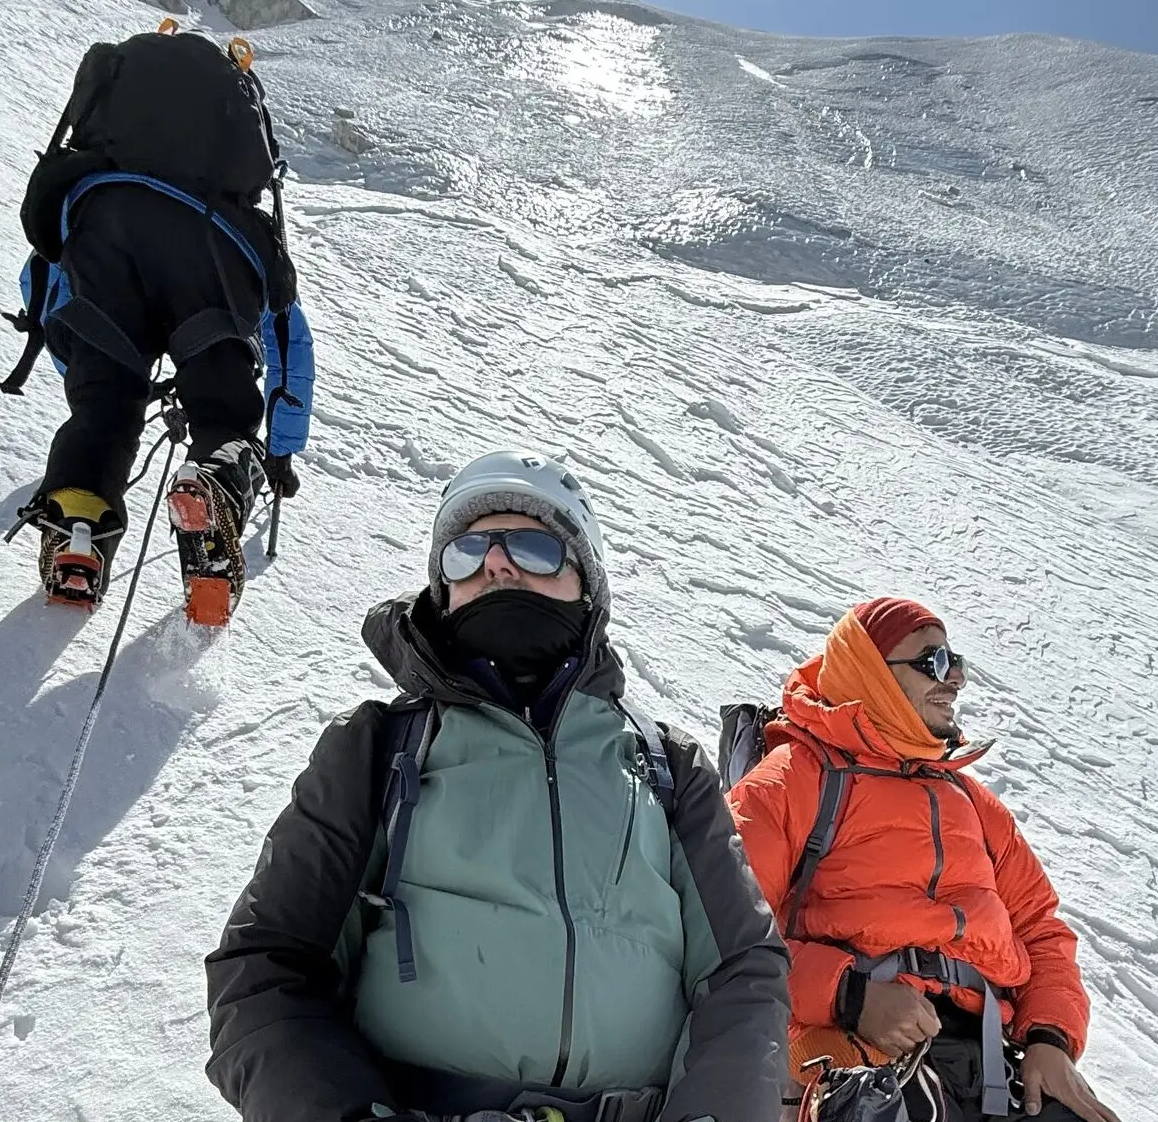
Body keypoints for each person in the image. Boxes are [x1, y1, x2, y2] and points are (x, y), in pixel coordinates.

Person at [204, 450, 790, 1122]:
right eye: (467, 552)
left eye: (535, 548)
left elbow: (742, 967)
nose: (497, 564)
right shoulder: (376, 749)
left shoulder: (666, 766)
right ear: (441, 589)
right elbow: (267, 965)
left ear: (587, 586)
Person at [726, 598, 1120, 1122]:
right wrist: (852, 995)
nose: (954, 678)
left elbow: (1041, 930)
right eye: (933, 661)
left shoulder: (971, 802)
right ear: (872, 672)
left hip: (989, 1063)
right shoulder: (794, 778)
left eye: (955, 661)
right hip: (851, 1056)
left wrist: (1051, 1038)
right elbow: (728, 929)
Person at [6, 21, 313, 622]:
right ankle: (219, 479)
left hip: (104, 220)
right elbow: (286, 336)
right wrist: (278, 451)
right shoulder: (235, 194)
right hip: (218, 248)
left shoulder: (104, 159)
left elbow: (45, 270)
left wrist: (101, 372)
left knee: (103, 413)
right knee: (222, 401)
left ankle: (80, 525)